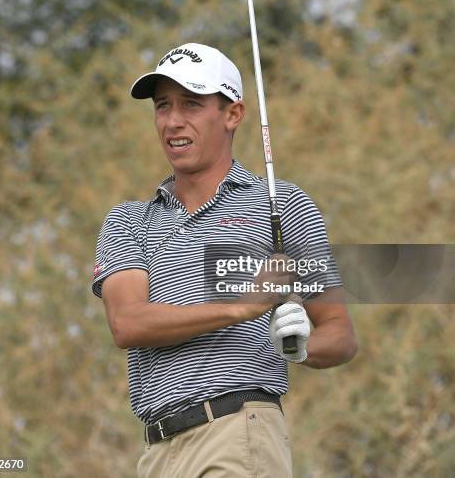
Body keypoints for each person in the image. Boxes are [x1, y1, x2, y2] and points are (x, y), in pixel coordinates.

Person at [91, 43, 358, 477]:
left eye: (192, 104)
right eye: (163, 106)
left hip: (239, 432)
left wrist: (302, 346)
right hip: (157, 451)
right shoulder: (129, 220)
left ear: (233, 114)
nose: (173, 120)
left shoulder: (281, 204)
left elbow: (341, 335)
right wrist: (244, 308)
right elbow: (128, 324)